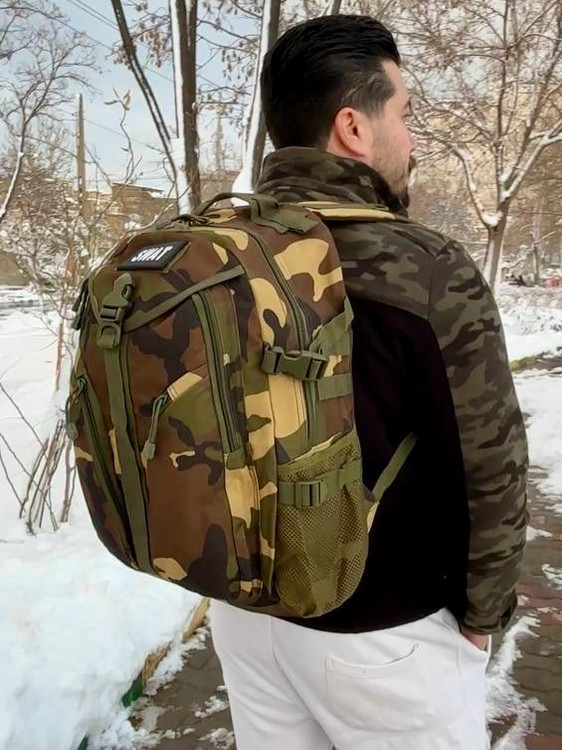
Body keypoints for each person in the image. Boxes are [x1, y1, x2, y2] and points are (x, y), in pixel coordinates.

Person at [210, 14, 528, 750]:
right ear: (353, 128)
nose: (412, 140)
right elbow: (490, 468)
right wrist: (485, 614)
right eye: (405, 115)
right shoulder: (427, 268)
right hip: (383, 635)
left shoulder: (223, 251)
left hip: (243, 613)